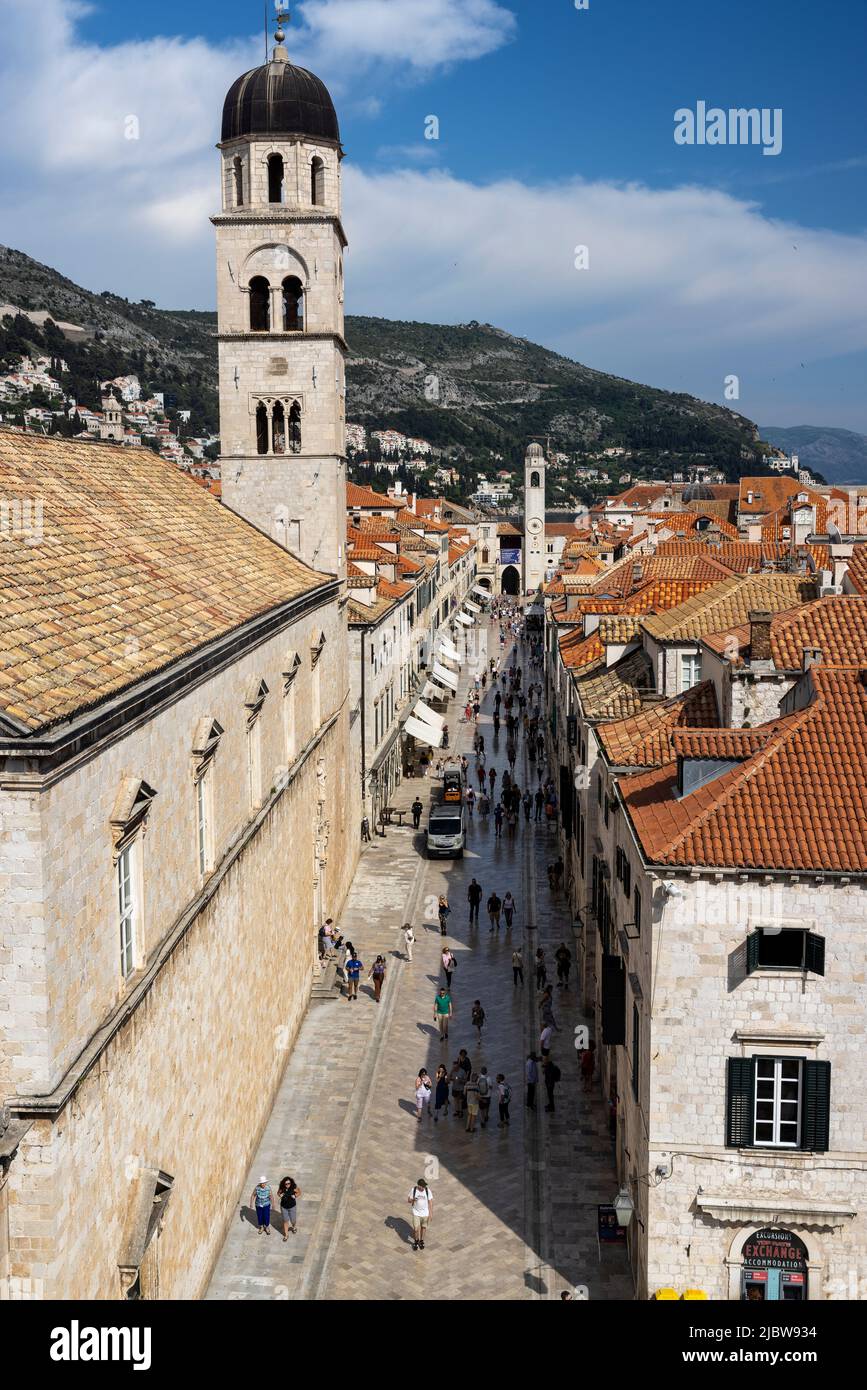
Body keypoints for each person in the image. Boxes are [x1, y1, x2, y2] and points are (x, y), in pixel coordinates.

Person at [407, 1178, 432, 1251]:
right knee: (416, 1229)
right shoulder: (414, 1190)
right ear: (419, 1186)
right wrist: (413, 1200)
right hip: (416, 1213)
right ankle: (416, 1241)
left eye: (424, 1186)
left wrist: (431, 1213)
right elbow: (408, 1200)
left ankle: (421, 1241)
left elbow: (430, 1202)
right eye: (422, 1186)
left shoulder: (427, 1190)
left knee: (423, 1228)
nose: (423, 1188)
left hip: (425, 1213)